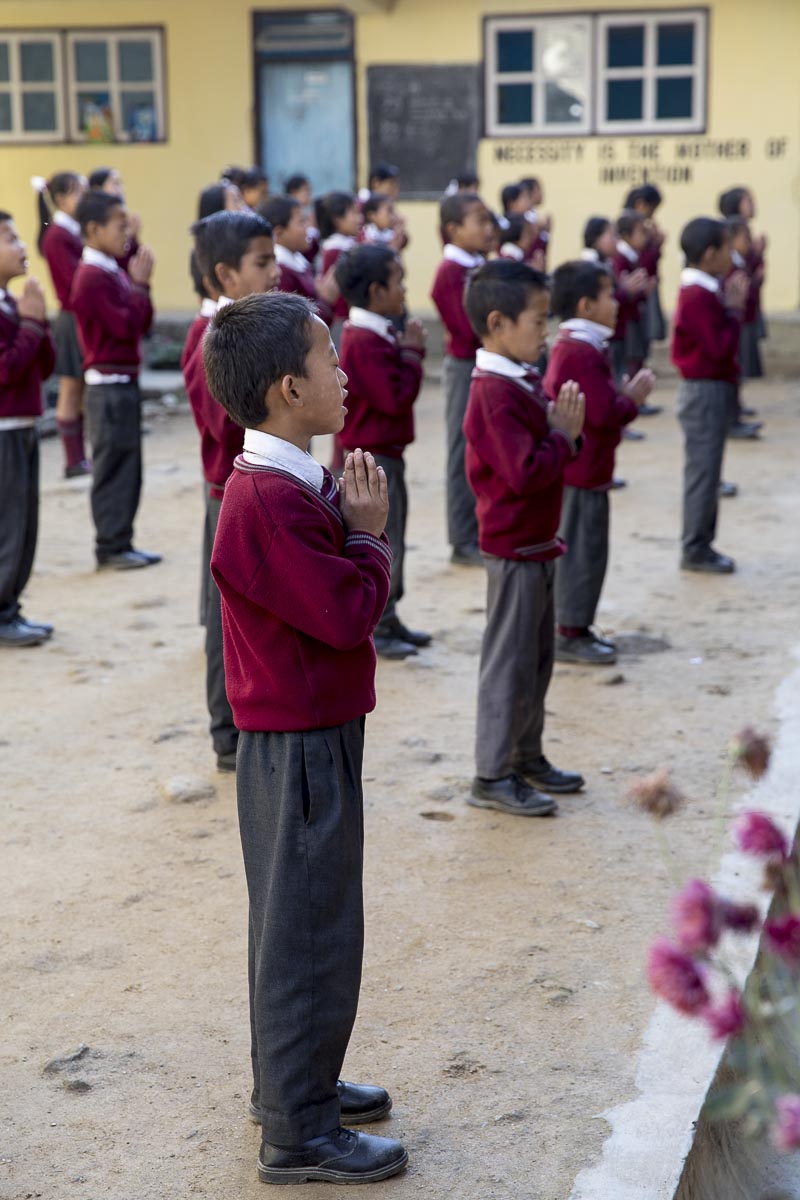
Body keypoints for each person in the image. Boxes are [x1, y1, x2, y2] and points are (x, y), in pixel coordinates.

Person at [204, 291, 407, 1186]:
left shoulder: (285, 480)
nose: (344, 371)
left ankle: (301, 1086)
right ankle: (298, 1132)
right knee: (308, 934)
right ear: (291, 387)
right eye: (330, 361)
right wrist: (370, 539)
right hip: (298, 745)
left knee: (308, 921)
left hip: (311, 733)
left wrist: (353, 532)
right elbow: (344, 613)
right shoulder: (263, 503)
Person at [463, 259, 586, 816]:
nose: (547, 332)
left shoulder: (520, 376)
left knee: (536, 662)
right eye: (538, 321)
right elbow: (526, 471)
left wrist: (562, 435)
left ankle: (525, 755)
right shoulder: (492, 391)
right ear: (498, 323)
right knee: (508, 664)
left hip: (537, 543)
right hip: (512, 548)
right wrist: (563, 438)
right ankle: (491, 774)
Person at [184, 210, 279, 771]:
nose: (275, 272)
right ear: (224, 275)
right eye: (261, 263)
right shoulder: (208, 338)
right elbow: (219, 424)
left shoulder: (249, 328)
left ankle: (249, 718)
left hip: (259, 486)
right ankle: (228, 734)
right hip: (229, 493)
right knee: (227, 616)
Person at [545, 261, 654, 665]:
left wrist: (621, 396)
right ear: (587, 305)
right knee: (582, 551)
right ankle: (570, 631)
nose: (616, 303)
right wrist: (631, 400)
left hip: (589, 470)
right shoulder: (577, 350)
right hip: (581, 471)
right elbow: (603, 413)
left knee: (590, 549)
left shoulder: (585, 345)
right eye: (610, 295)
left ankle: (578, 625)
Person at [335, 244, 428, 660]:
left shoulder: (373, 332)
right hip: (373, 458)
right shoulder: (362, 340)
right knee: (380, 539)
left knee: (396, 535)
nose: (404, 290)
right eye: (398, 282)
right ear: (376, 291)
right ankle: (379, 620)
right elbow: (394, 398)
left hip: (384, 453)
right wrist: (412, 353)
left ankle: (389, 617)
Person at [70, 191, 159, 570]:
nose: (127, 232)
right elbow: (124, 327)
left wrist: (139, 287)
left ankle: (122, 540)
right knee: (113, 466)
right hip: (107, 386)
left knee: (129, 465)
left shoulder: (110, 269)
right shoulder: (91, 277)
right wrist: (138, 286)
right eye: (119, 226)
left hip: (122, 382)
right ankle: (110, 545)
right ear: (93, 229)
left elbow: (143, 324)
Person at [671, 217, 748, 574]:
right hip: (703, 389)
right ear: (709, 254)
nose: (731, 255)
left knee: (708, 468)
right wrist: (734, 310)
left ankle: (701, 542)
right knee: (703, 471)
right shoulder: (697, 295)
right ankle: (696, 547)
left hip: (711, 387)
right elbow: (719, 348)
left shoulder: (705, 288)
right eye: (726, 249)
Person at [0, 210, 56, 648]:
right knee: (9, 525)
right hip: (4, 431)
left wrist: (39, 324)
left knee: (25, 523)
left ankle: (11, 606)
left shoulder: (10, 304)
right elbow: (6, 370)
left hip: (23, 425)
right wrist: (32, 325)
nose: (21, 247)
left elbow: (42, 367)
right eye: (10, 238)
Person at [430, 191, 494, 566]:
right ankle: (462, 537)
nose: (489, 229)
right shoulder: (451, 272)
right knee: (461, 449)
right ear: (454, 230)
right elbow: (466, 329)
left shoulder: (475, 264)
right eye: (480, 221)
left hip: (481, 363)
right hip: (463, 365)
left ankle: (477, 529)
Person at [34, 171, 90, 478]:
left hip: (77, 317)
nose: (83, 200)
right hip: (71, 319)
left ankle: (79, 457)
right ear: (60, 199)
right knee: (70, 387)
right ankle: (72, 459)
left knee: (77, 388)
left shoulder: (71, 231)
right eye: (78, 193)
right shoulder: (58, 235)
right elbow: (73, 283)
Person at [260, 194, 334, 323]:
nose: (308, 228)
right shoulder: (282, 272)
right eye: (301, 222)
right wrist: (326, 300)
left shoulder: (297, 258)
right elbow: (296, 325)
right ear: (279, 233)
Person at [609, 210, 651, 385]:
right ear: (626, 236)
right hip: (627, 317)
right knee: (631, 356)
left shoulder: (633, 256)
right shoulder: (620, 259)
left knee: (637, 353)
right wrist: (640, 292)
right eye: (641, 232)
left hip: (633, 314)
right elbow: (625, 289)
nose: (645, 237)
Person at [317, 192, 362, 323]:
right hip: (342, 318)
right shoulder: (334, 250)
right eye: (354, 213)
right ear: (337, 220)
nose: (360, 219)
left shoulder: (347, 244)